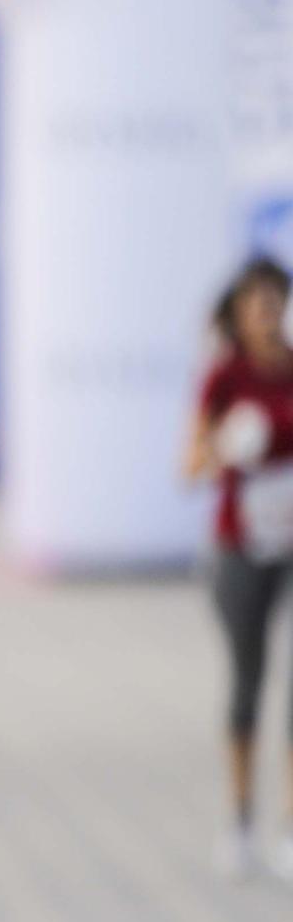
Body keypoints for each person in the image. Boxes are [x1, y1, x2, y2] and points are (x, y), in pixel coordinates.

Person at [185, 256, 293, 880]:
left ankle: (291, 823)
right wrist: (227, 445)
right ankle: (240, 814)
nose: (269, 316)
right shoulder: (224, 379)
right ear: (239, 316)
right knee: (247, 678)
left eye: (277, 303)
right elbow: (190, 465)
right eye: (257, 306)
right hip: (242, 545)